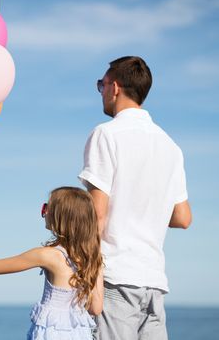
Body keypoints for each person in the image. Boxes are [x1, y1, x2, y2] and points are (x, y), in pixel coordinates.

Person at [78, 56, 192, 340]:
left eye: (101, 85)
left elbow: (98, 215)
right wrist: (146, 207)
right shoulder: (171, 146)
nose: (101, 92)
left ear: (114, 87)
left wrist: (87, 278)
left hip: (116, 279)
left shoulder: (106, 134)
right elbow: (183, 217)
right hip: (153, 283)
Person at [0, 186, 104, 340]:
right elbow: (96, 308)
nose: (44, 212)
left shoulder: (48, 255)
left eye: (47, 207)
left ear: (60, 216)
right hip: (79, 333)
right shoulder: (93, 257)